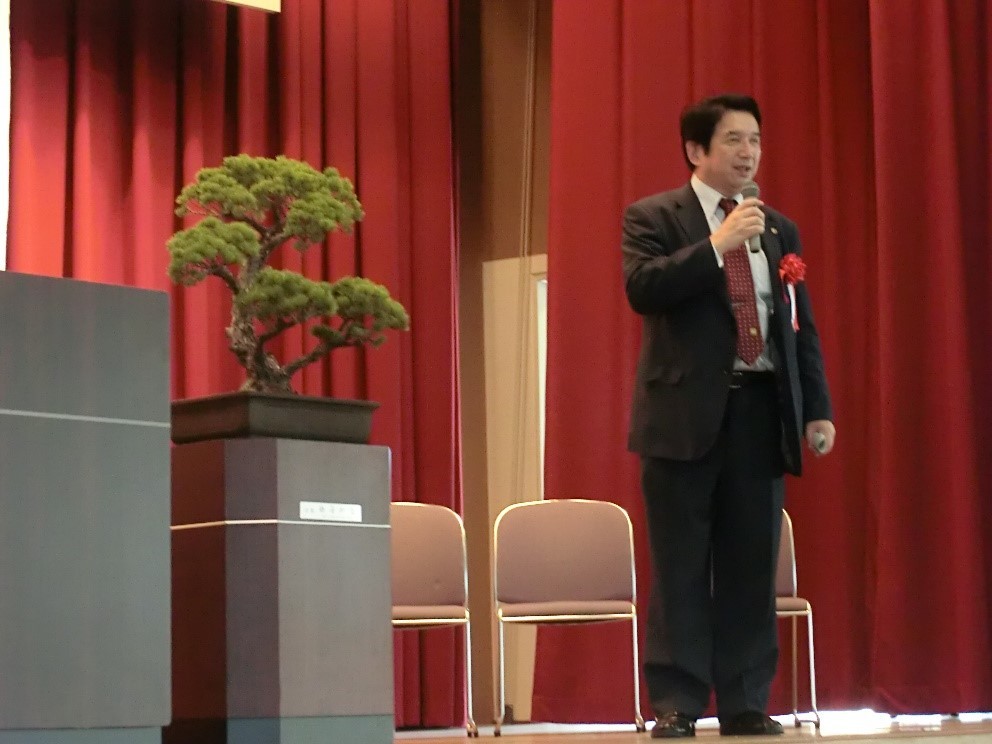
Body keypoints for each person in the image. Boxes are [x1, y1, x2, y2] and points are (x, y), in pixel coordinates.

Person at [621, 93, 835, 738]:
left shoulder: (778, 229)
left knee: (751, 563)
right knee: (681, 565)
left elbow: (798, 324)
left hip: (761, 411)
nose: (749, 154)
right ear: (697, 150)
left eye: (756, 141)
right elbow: (643, 289)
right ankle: (678, 703)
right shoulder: (653, 216)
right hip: (682, 418)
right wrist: (716, 245)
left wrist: (816, 408)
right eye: (735, 141)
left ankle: (744, 700)